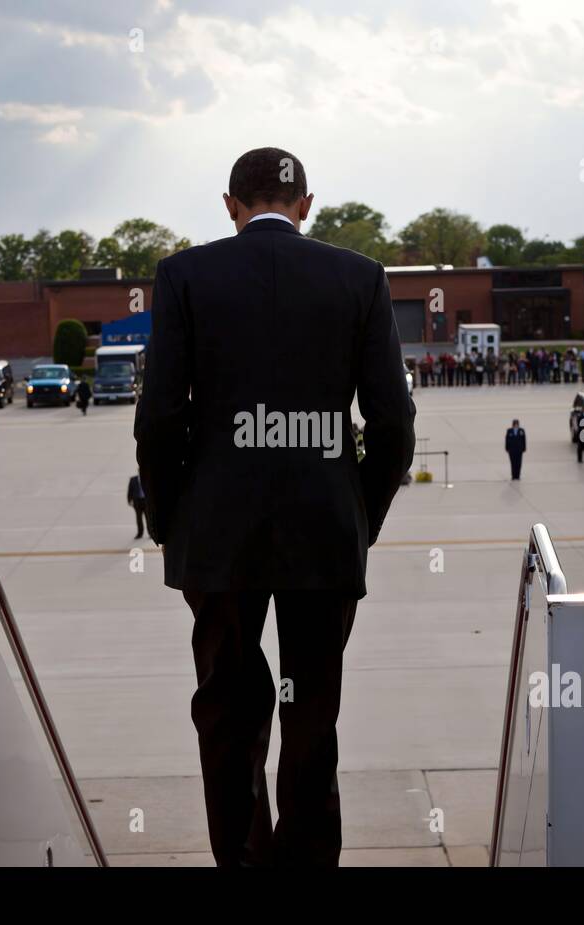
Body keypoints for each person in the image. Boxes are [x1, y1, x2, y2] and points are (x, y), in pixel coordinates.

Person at [133, 147, 416, 867]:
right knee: (311, 715)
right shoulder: (360, 278)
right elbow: (393, 424)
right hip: (324, 531)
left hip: (218, 538)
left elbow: (159, 419)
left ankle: (244, 857)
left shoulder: (185, 277)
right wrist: (360, 516)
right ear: (307, 205)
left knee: (228, 715)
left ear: (229, 205)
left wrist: (171, 525)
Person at [127, 474, 147, 539]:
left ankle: (150, 533)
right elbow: (130, 490)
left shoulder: (147, 478)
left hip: (146, 501)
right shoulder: (133, 479)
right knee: (139, 518)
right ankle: (140, 533)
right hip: (137, 502)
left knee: (148, 518)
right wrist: (129, 500)